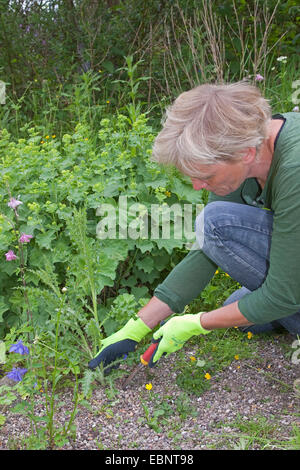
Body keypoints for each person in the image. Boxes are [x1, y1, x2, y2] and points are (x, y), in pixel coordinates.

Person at [88, 81, 300, 373]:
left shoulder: (294, 168)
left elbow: (281, 293)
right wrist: (135, 328)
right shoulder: (246, 148)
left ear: (246, 154)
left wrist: (196, 323)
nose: (198, 186)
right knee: (240, 306)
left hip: (290, 291)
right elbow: (207, 248)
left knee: (263, 297)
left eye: (205, 175)